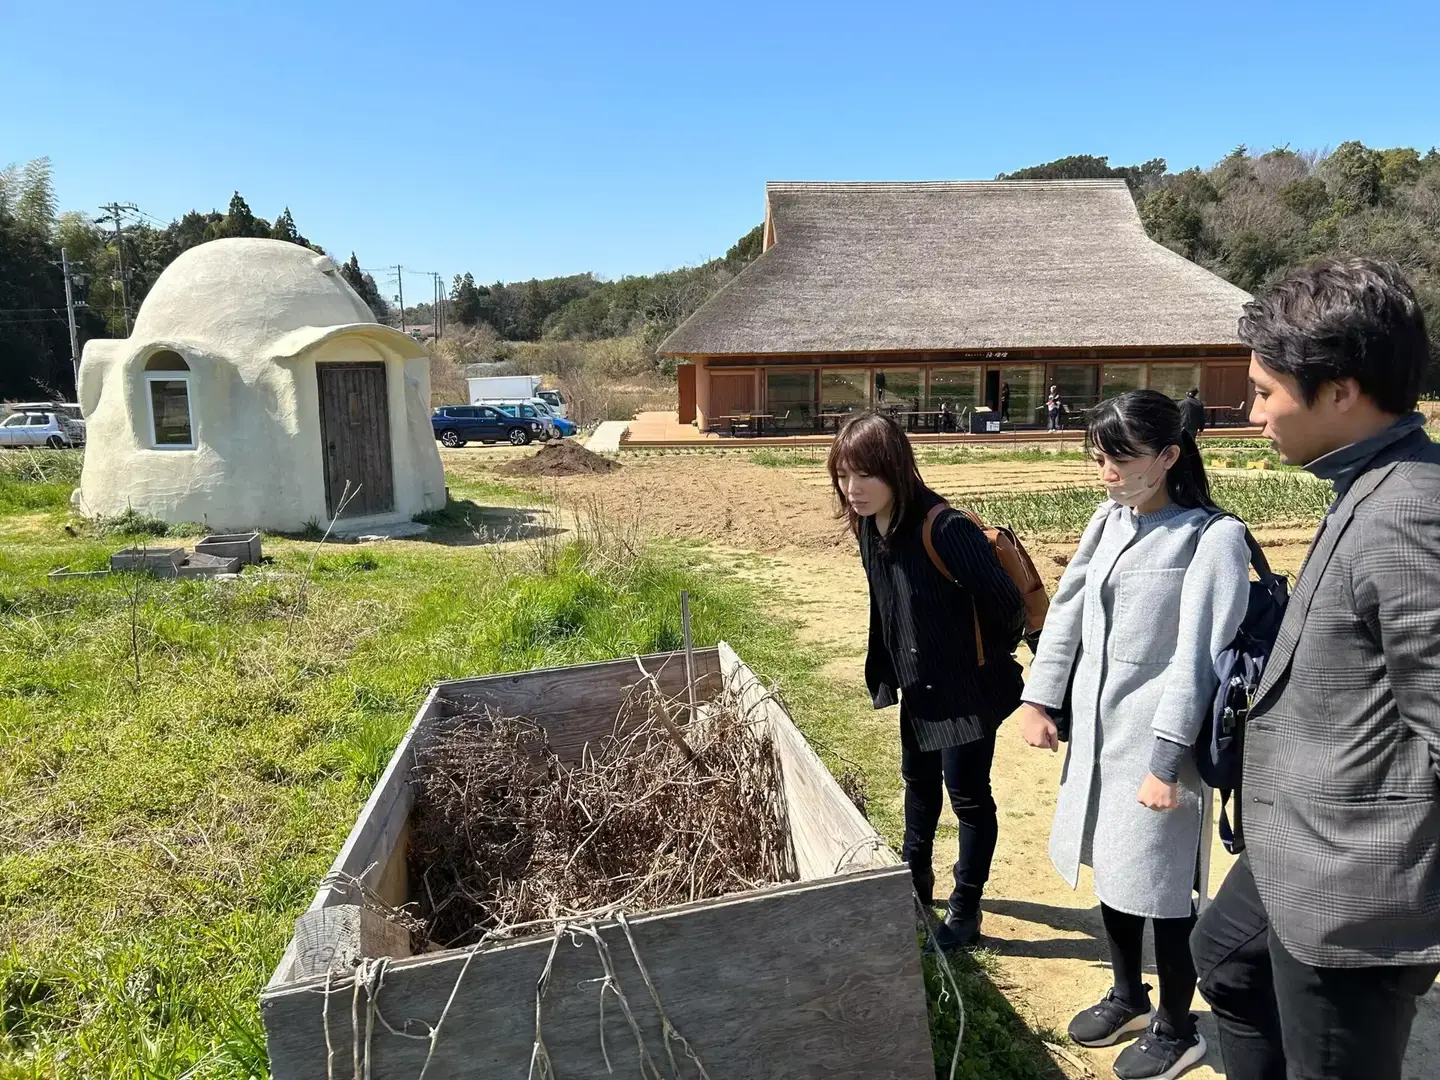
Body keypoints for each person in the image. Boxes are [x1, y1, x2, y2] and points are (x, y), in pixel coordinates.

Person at [1190, 258, 1440, 1080]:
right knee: (1226, 959)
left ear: (1341, 391)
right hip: (1298, 844)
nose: (1251, 410)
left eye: (1266, 390)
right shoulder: (1367, 479)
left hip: (1355, 888)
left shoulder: (1409, 512)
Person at [1019, 389, 1250, 1080]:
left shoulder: (1211, 538)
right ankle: (1127, 991)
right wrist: (1041, 697)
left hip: (1158, 754)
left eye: (1120, 456)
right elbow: (1065, 615)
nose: (1105, 469)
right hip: (1099, 740)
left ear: (1170, 457)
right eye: (1099, 455)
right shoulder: (1109, 520)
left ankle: (1179, 1028)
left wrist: (1163, 759)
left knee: (1165, 890)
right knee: (1114, 872)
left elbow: (1196, 664)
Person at [829, 411, 1025, 951]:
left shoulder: (945, 527)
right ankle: (916, 882)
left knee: (967, 797)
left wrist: (975, 663)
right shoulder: (871, 525)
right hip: (918, 684)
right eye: (843, 476)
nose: (853, 489)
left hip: (963, 689)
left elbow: (1006, 603)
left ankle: (966, 908)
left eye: (865, 475)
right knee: (917, 783)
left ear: (896, 469)